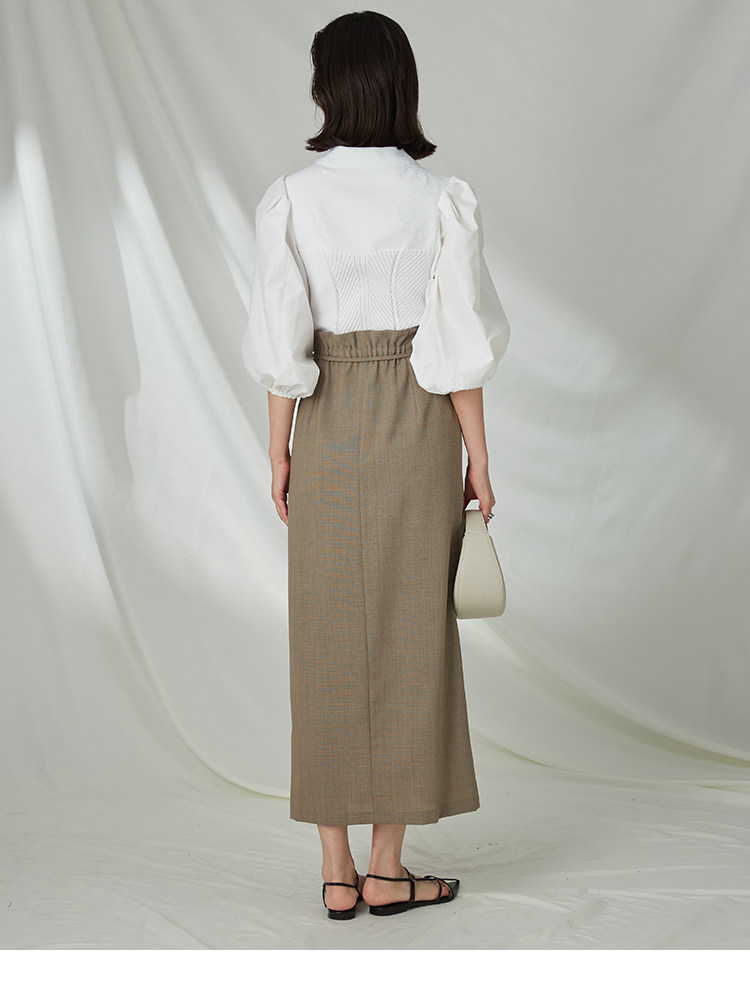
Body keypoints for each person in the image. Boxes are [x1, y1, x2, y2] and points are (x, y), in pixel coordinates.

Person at [241, 10, 510, 919]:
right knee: (412, 636)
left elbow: (282, 340)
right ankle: (389, 868)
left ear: (328, 87)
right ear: (402, 85)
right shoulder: (440, 198)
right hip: (417, 421)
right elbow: (458, 346)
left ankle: (336, 870)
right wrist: (479, 458)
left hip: (324, 419)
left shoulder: (290, 198)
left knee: (324, 632)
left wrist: (277, 449)